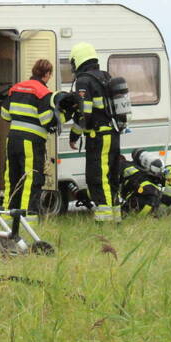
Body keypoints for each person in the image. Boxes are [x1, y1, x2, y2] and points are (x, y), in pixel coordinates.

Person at [67, 42, 121, 222]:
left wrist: (74, 134)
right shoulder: (105, 76)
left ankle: (104, 219)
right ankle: (116, 216)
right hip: (113, 133)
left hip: (98, 136)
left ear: (78, 60)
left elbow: (85, 114)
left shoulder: (83, 81)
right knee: (112, 175)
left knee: (97, 177)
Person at [0, 59, 55, 213]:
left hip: (11, 140)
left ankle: (7, 216)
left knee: (12, 179)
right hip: (30, 142)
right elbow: (47, 121)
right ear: (47, 74)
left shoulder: (16, 88)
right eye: (50, 75)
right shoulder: (43, 93)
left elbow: (5, 114)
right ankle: (26, 217)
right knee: (30, 180)